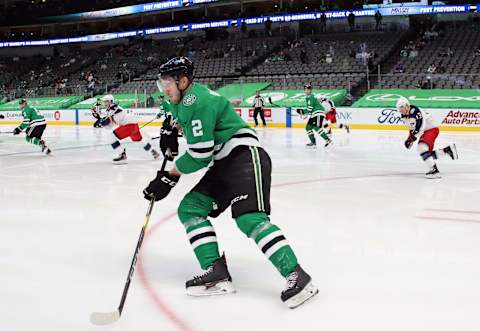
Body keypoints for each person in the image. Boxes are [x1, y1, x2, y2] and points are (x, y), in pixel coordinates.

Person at [143, 57, 318, 308]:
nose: (164, 89)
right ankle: (216, 272)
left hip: (244, 156)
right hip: (223, 164)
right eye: (161, 84)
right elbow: (174, 118)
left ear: (183, 81)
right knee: (191, 208)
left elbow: (200, 154)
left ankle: (298, 276)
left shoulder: (198, 101)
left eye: (168, 82)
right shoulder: (179, 101)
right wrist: (168, 131)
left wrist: (169, 177)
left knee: (249, 218)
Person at [396, 97, 457, 179]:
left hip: (431, 130)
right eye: (399, 108)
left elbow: (420, 127)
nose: (400, 110)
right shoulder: (404, 116)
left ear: (407, 105)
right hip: (427, 131)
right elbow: (412, 128)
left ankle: (434, 171)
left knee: (421, 148)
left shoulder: (416, 111)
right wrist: (409, 139)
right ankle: (447, 151)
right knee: (427, 154)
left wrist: (411, 139)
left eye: (401, 107)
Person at [95, 94, 160, 164]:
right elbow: (109, 125)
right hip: (133, 125)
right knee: (139, 140)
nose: (104, 103)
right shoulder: (111, 110)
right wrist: (101, 121)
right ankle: (153, 151)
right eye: (104, 101)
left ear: (111, 101)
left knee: (111, 137)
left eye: (106, 101)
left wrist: (102, 120)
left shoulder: (114, 108)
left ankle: (122, 154)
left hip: (129, 126)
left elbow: (110, 121)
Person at [297, 83, 332, 148]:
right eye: (306, 89)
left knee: (316, 127)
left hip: (318, 113)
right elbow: (310, 109)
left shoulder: (310, 97)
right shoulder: (308, 97)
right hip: (314, 114)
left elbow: (309, 109)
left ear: (310, 90)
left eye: (308, 89)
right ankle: (313, 142)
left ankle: (328, 140)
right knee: (308, 127)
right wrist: (301, 111)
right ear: (304, 90)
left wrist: (301, 111)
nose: (307, 90)